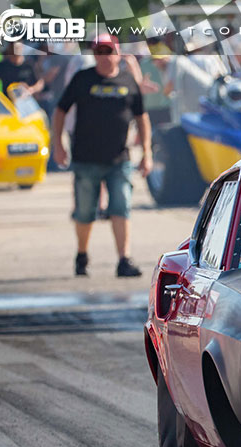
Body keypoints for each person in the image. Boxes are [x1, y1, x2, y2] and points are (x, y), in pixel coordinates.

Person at [52, 34, 151, 278]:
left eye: (108, 52)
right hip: (85, 159)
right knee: (85, 212)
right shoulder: (82, 78)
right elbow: (60, 111)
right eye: (99, 52)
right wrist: (58, 145)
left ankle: (124, 260)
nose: (104, 57)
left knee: (121, 207)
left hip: (119, 159)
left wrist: (147, 152)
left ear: (117, 54)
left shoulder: (128, 80)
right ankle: (82, 254)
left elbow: (142, 117)